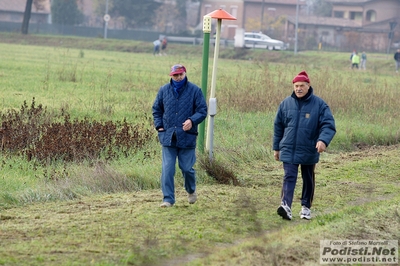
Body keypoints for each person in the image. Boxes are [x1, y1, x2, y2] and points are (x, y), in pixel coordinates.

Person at [273, 70, 336, 220]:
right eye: (296, 86)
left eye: (302, 85)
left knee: (308, 178)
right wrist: (276, 148)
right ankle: (286, 206)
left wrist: (323, 140)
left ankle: (306, 206)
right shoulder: (285, 104)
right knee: (289, 176)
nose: (298, 88)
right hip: (288, 147)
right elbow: (278, 127)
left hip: (309, 148)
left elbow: (328, 125)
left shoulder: (320, 105)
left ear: (308, 86)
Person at [152, 64, 208, 208]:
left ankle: (191, 190)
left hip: (187, 137)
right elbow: (156, 109)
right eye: (175, 75)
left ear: (185, 74)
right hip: (168, 137)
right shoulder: (164, 90)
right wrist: (159, 126)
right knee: (168, 169)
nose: (178, 78)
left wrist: (192, 120)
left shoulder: (195, 91)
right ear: (171, 75)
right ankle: (168, 199)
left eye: (180, 75)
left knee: (187, 168)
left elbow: (202, 110)